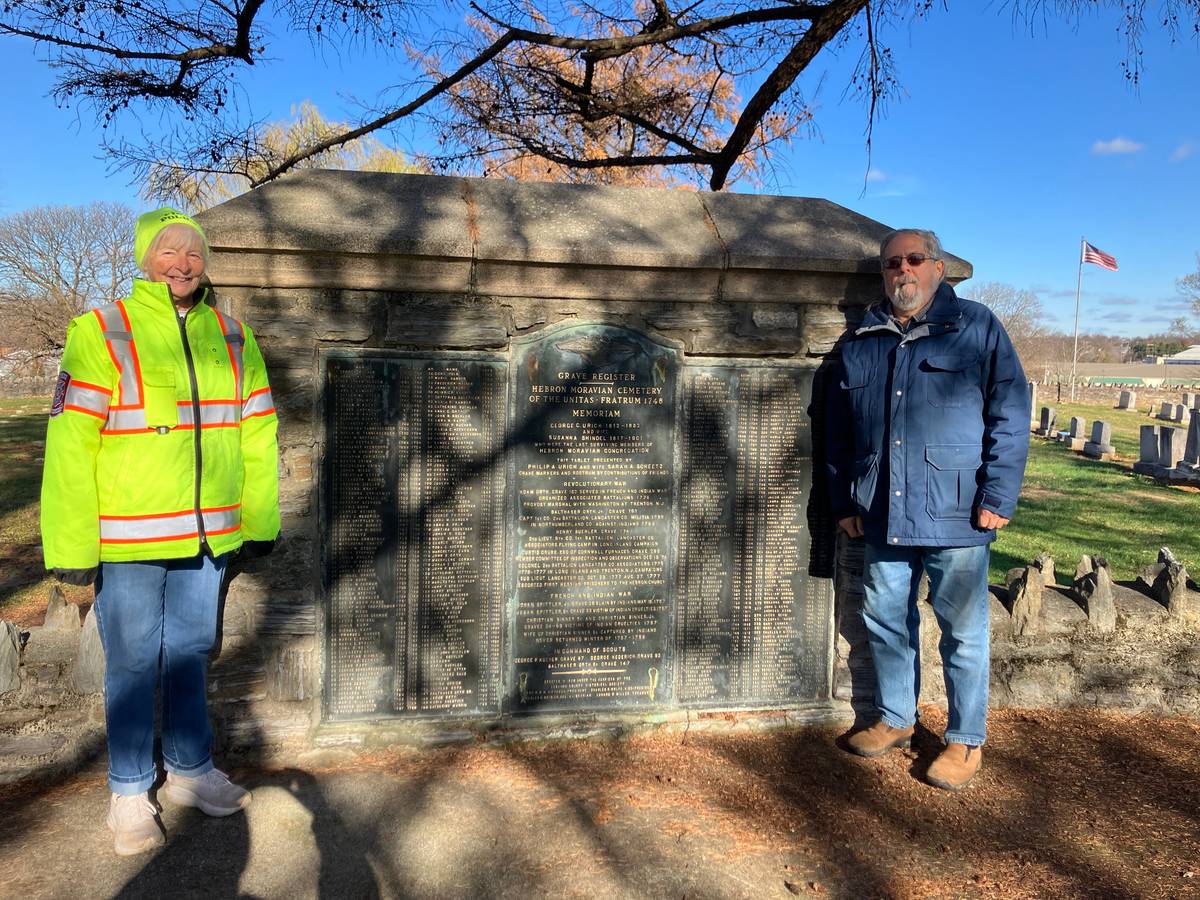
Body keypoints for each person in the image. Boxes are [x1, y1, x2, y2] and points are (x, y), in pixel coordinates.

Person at [40, 207, 280, 854]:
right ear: (146, 259)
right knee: (134, 660)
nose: (181, 262)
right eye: (168, 250)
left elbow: (258, 434)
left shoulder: (234, 336)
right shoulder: (100, 330)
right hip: (129, 540)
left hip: (208, 540)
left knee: (192, 651)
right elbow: (69, 447)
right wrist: (69, 552)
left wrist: (259, 520)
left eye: (193, 252)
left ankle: (191, 771)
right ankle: (128, 791)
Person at [826, 228, 1030, 792]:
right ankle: (896, 719)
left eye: (915, 259)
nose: (903, 271)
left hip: (958, 512)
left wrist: (998, 495)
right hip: (882, 510)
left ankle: (966, 740)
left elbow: (1010, 411)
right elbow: (841, 431)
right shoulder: (863, 338)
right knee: (885, 619)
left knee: (962, 633)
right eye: (893, 263)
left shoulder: (976, 326)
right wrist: (845, 498)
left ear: (938, 268)